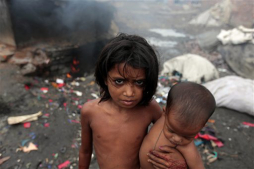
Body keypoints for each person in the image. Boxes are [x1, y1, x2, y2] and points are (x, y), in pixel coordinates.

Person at [79, 33, 186, 169]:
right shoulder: (90, 112)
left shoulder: (150, 109)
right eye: (119, 81)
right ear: (105, 78)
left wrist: (178, 160)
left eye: (139, 82)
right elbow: (85, 151)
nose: (129, 93)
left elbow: (175, 137)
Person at [139, 82, 216, 169]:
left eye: (187, 137)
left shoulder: (188, 148)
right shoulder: (164, 117)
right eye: (171, 131)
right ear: (165, 112)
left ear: (201, 127)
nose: (177, 139)